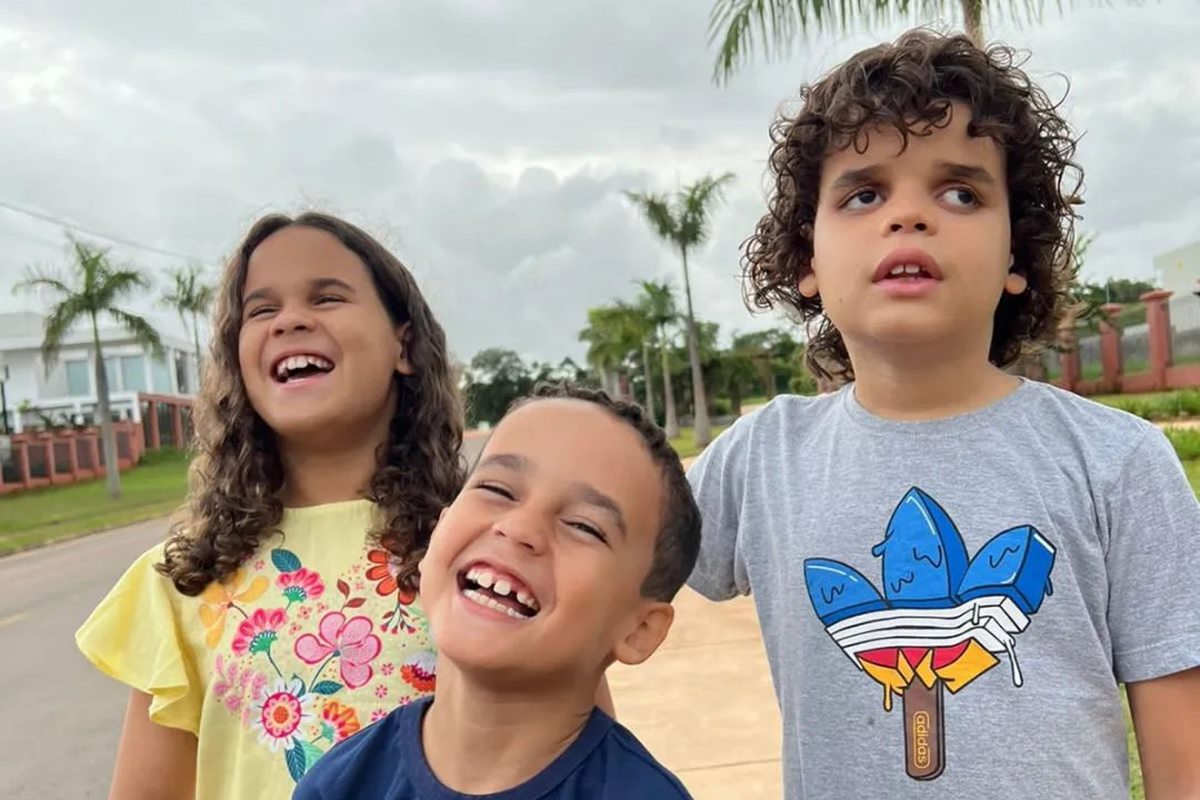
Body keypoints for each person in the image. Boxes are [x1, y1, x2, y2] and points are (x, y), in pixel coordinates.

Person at [687, 29, 1200, 800]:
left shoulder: (1118, 462)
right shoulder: (762, 457)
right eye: (865, 192)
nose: (909, 217)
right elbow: (600, 584)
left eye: (961, 192)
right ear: (808, 262)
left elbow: (1182, 748)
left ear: (1018, 256)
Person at [76, 211, 464, 800]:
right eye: (261, 310)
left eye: (328, 297)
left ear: (403, 344)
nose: (291, 321)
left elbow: (578, 759)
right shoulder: (188, 580)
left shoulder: (480, 550)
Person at [295, 384, 698, 799]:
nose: (520, 528)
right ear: (439, 530)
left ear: (640, 630)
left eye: (584, 526)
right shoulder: (340, 784)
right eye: (497, 490)